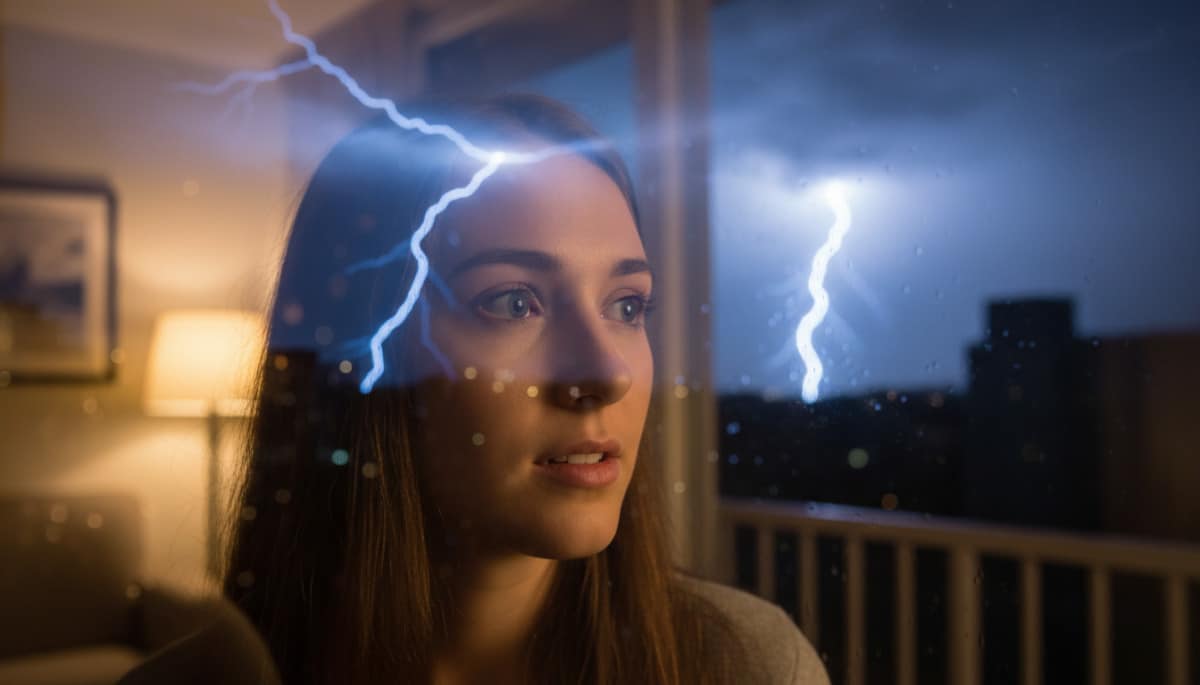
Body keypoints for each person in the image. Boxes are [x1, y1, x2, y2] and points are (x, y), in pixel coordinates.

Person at [122, 94, 827, 685]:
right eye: (513, 302)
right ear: (358, 358)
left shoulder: (751, 664)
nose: (605, 373)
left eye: (626, 305)